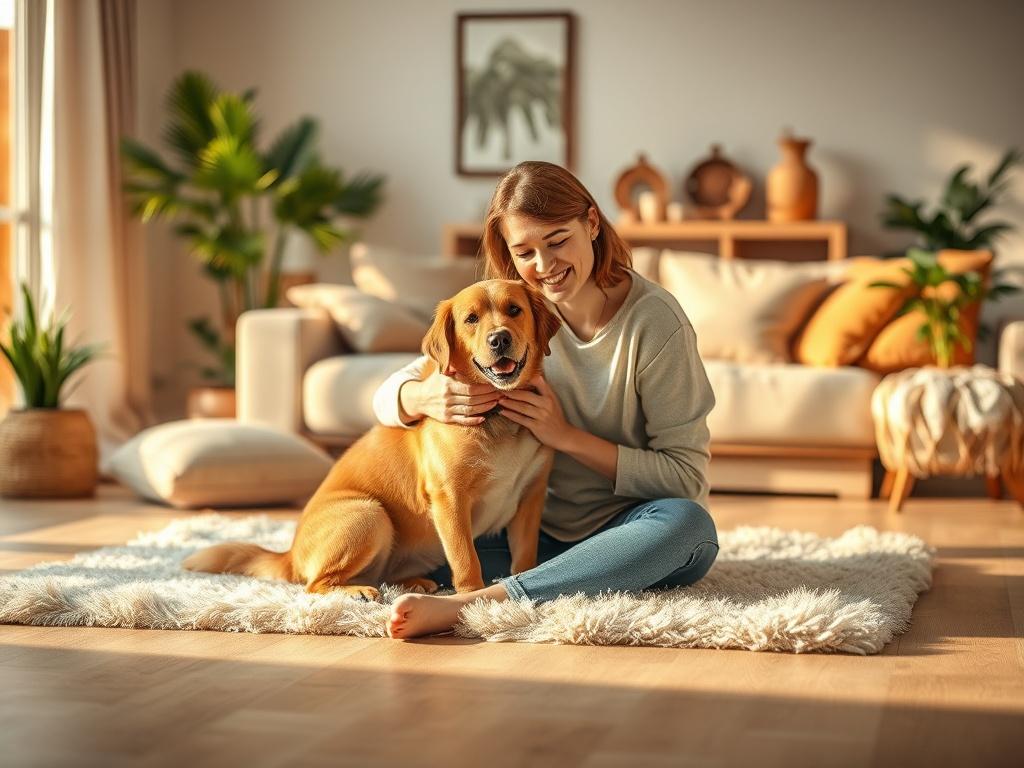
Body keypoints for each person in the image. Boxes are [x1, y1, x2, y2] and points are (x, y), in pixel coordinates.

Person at [371, 161, 719, 639]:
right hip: (524, 534)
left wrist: (566, 437)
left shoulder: (655, 324)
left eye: (558, 241)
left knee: (689, 528)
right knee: (430, 527)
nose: (545, 266)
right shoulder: (512, 308)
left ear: (591, 224)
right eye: (525, 252)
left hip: (626, 533)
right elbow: (391, 392)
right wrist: (421, 396)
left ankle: (476, 603)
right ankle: (529, 582)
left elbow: (686, 479)